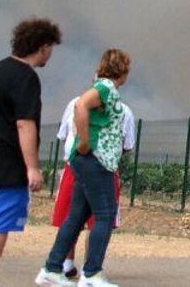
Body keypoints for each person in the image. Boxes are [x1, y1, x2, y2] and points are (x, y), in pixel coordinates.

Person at [0, 18, 62, 287]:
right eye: (51, 48)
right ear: (43, 47)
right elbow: (25, 122)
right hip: (6, 163)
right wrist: (32, 167)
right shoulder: (25, 77)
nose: (50, 54)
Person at [37, 49, 132, 287]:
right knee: (105, 216)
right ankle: (91, 274)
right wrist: (84, 141)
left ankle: (52, 268)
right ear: (122, 70)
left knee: (76, 216)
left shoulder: (104, 89)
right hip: (96, 161)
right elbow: (81, 106)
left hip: (88, 162)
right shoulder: (105, 88)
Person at [50, 90, 135, 279]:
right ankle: (85, 270)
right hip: (101, 169)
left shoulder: (75, 103)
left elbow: (64, 136)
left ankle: (64, 266)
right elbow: (127, 146)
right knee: (98, 220)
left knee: (72, 218)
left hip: (77, 165)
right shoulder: (124, 110)